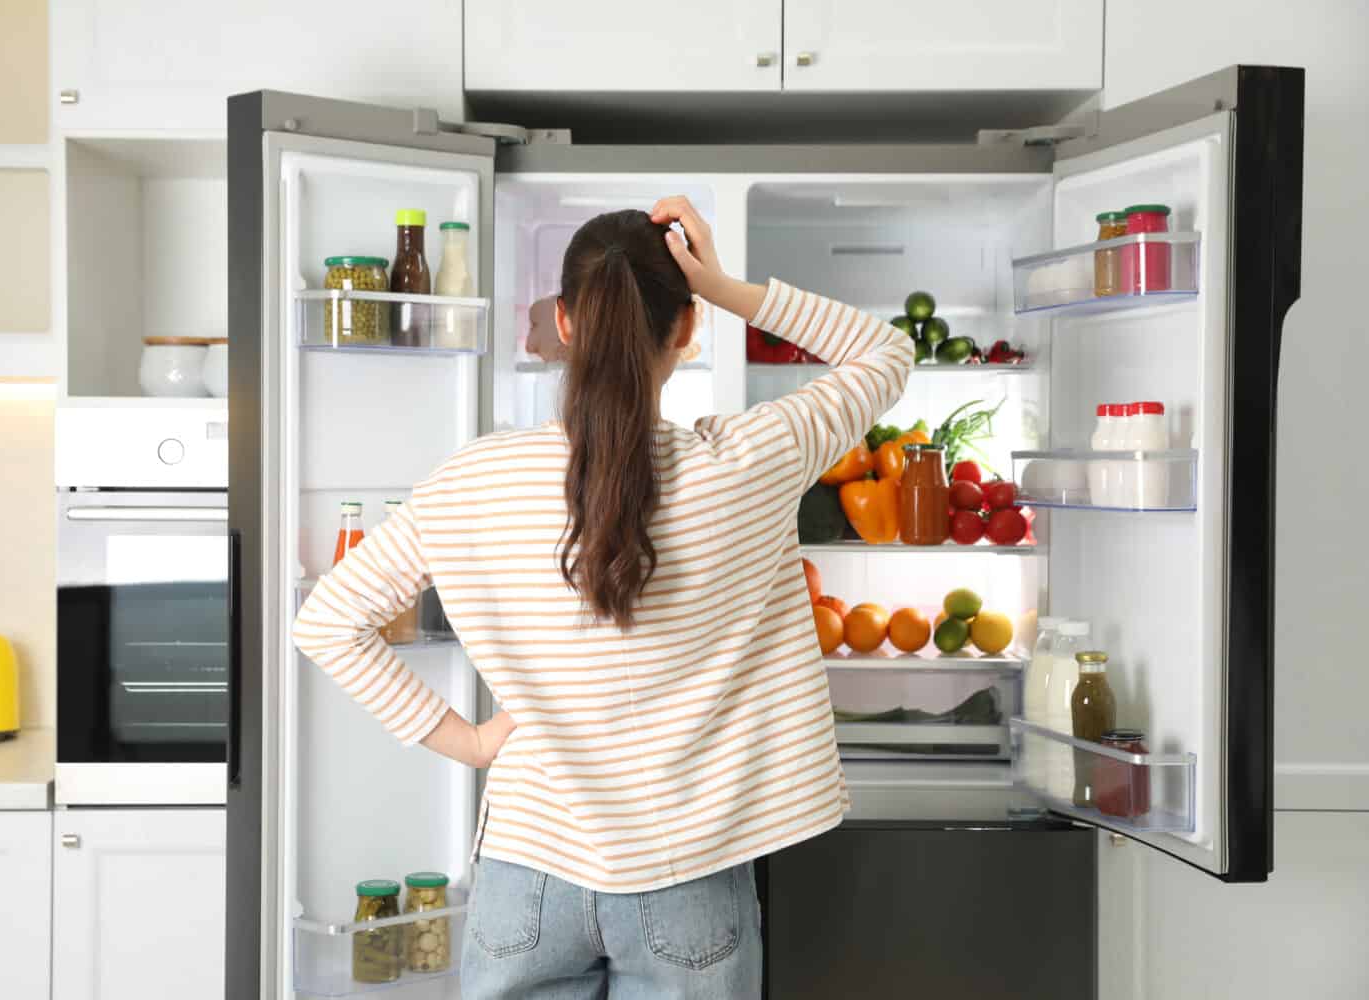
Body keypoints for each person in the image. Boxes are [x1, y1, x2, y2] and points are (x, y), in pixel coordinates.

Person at [293, 196, 914, 998]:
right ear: (686, 331)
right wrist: (722, 285)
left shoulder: (474, 478)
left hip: (527, 875)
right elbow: (885, 352)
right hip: (689, 874)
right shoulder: (753, 460)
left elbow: (328, 623)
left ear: (564, 321)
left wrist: (474, 744)